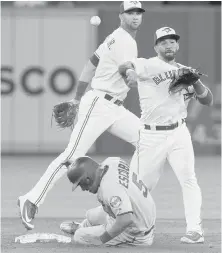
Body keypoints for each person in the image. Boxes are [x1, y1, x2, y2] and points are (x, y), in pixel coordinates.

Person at [17, 1, 145, 230]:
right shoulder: (123, 40)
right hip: (99, 105)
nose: (135, 16)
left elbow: (91, 64)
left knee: (147, 140)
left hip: (114, 108)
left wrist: (76, 98)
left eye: (138, 12)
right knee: (71, 156)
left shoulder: (113, 37)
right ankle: (31, 199)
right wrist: (133, 75)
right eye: (130, 12)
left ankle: (126, 202)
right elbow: (125, 69)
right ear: (121, 15)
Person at [118, 27, 213, 244]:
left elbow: (208, 101)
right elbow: (126, 65)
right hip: (151, 136)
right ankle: (112, 222)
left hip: (179, 133)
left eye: (172, 41)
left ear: (177, 46)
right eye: (163, 42)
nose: (168, 45)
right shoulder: (148, 64)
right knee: (136, 186)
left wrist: (196, 81)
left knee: (189, 179)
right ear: (156, 47)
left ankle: (194, 229)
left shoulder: (185, 70)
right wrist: (131, 73)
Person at [60, 156, 156, 246]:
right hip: (140, 215)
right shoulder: (112, 162)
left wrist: (102, 239)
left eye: (80, 184)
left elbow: (125, 219)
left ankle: (86, 232)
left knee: (79, 236)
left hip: (135, 232)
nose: (82, 188)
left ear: (87, 179)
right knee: (91, 215)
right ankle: (84, 227)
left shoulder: (109, 188)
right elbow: (90, 164)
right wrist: (75, 167)